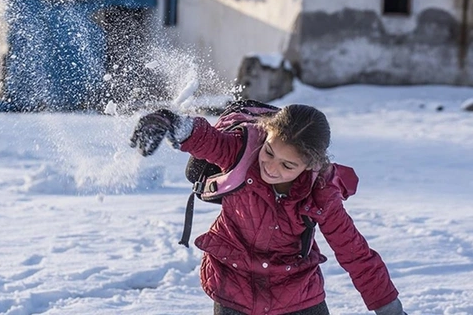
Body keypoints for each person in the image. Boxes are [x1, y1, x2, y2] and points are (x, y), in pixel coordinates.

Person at [129, 105, 406, 315]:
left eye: (287, 166)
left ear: (311, 165)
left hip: (297, 292)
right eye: (270, 152)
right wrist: (169, 121)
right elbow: (206, 139)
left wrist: (390, 310)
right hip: (232, 284)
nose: (271, 168)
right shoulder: (242, 152)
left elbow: (356, 254)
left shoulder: (321, 195)